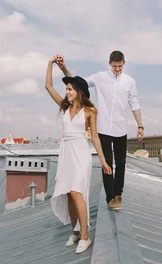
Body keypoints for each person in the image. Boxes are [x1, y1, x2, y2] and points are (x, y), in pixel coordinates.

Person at [56, 50, 143, 211]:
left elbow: (134, 103)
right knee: (107, 163)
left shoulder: (129, 81)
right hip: (102, 128)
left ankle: (118, 195)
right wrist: (64, 70)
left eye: (120, 66)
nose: (118, 69)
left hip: (120, 128)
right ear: (110, 64)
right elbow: (78, 82)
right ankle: (111, 198)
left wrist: (140, 126)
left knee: (121, 163)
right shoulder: (100, 77)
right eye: (115, 66)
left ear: (124, 63)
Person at [45, 55, 112, 254]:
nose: (66, 92)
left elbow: (96, 138)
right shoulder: (64, 107)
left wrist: (103, 160)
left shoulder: (90, 111)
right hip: (66, 153)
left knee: (77, 192)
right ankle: (75, 232)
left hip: (81, 152)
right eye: (66, 89)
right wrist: (50, 64)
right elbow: (48, 87)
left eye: (70, 89)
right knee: (68, 194)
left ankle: (85, 236)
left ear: (79, 92)